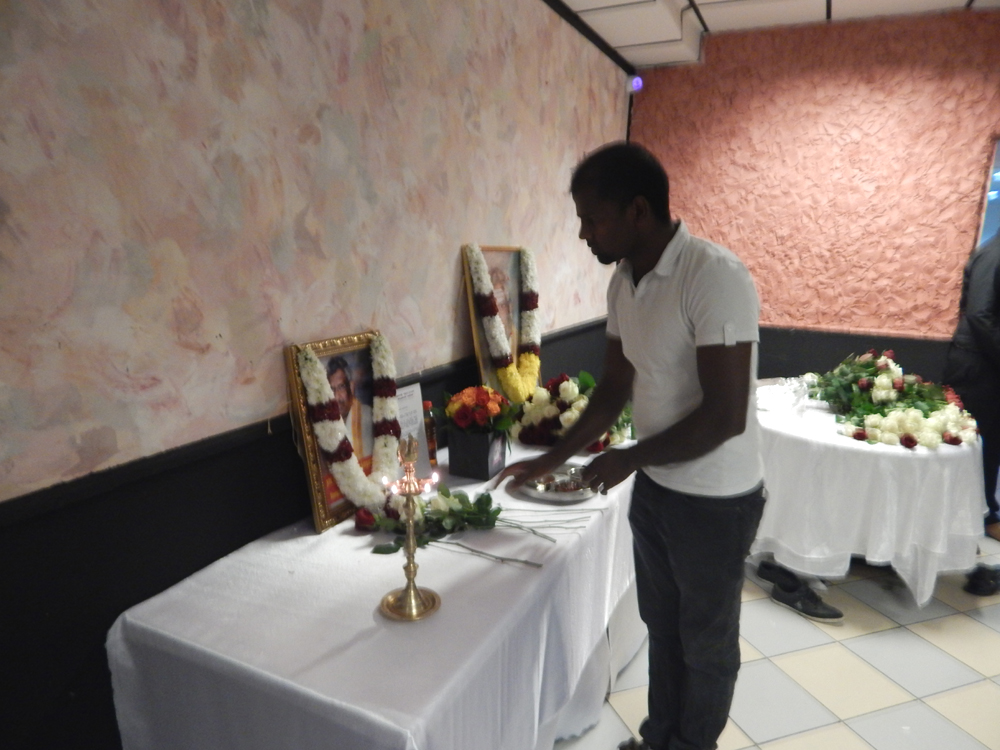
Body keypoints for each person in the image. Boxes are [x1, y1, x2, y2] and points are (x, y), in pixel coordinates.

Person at [500, 142, 765, 750]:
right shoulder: (624, 283)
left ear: (638, 211)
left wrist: (629, 457)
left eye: (592, 218)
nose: (583, 233)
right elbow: (615, 387)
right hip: (657, 489)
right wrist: (550, 457)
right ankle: (659, 739)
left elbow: (725, 416)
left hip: (716, 500)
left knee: (706, 643)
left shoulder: (714, 276)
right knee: (661, 628)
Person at [943, 231, 1000, 542]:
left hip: (984, 362)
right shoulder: (995, 255)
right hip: (977, 365)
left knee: (989, 445)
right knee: (972, 445)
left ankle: (983, 514)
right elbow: (979, 314)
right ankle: (968, 522)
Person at [326, 356, 373, 458]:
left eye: (341, 387)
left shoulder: (368, 415)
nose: (336, 397)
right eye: (332, 389)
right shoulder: (325, 424)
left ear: (351, 387)